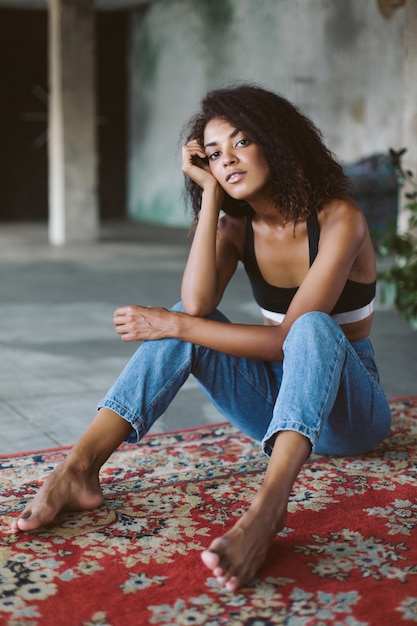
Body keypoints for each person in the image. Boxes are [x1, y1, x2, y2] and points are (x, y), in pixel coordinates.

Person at [11, 84, 391, 592]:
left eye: (240, 142)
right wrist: (210, 195)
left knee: (310, 328)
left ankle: (268, 509)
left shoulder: (339, 218)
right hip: (276, 407)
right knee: (181, 319)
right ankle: (79, 468)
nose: (227, 160)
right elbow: (194, 305)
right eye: (214, 154)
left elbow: (286, 342)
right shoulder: (237, 227)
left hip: (351, 415)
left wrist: (177, 325)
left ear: (275, 141)